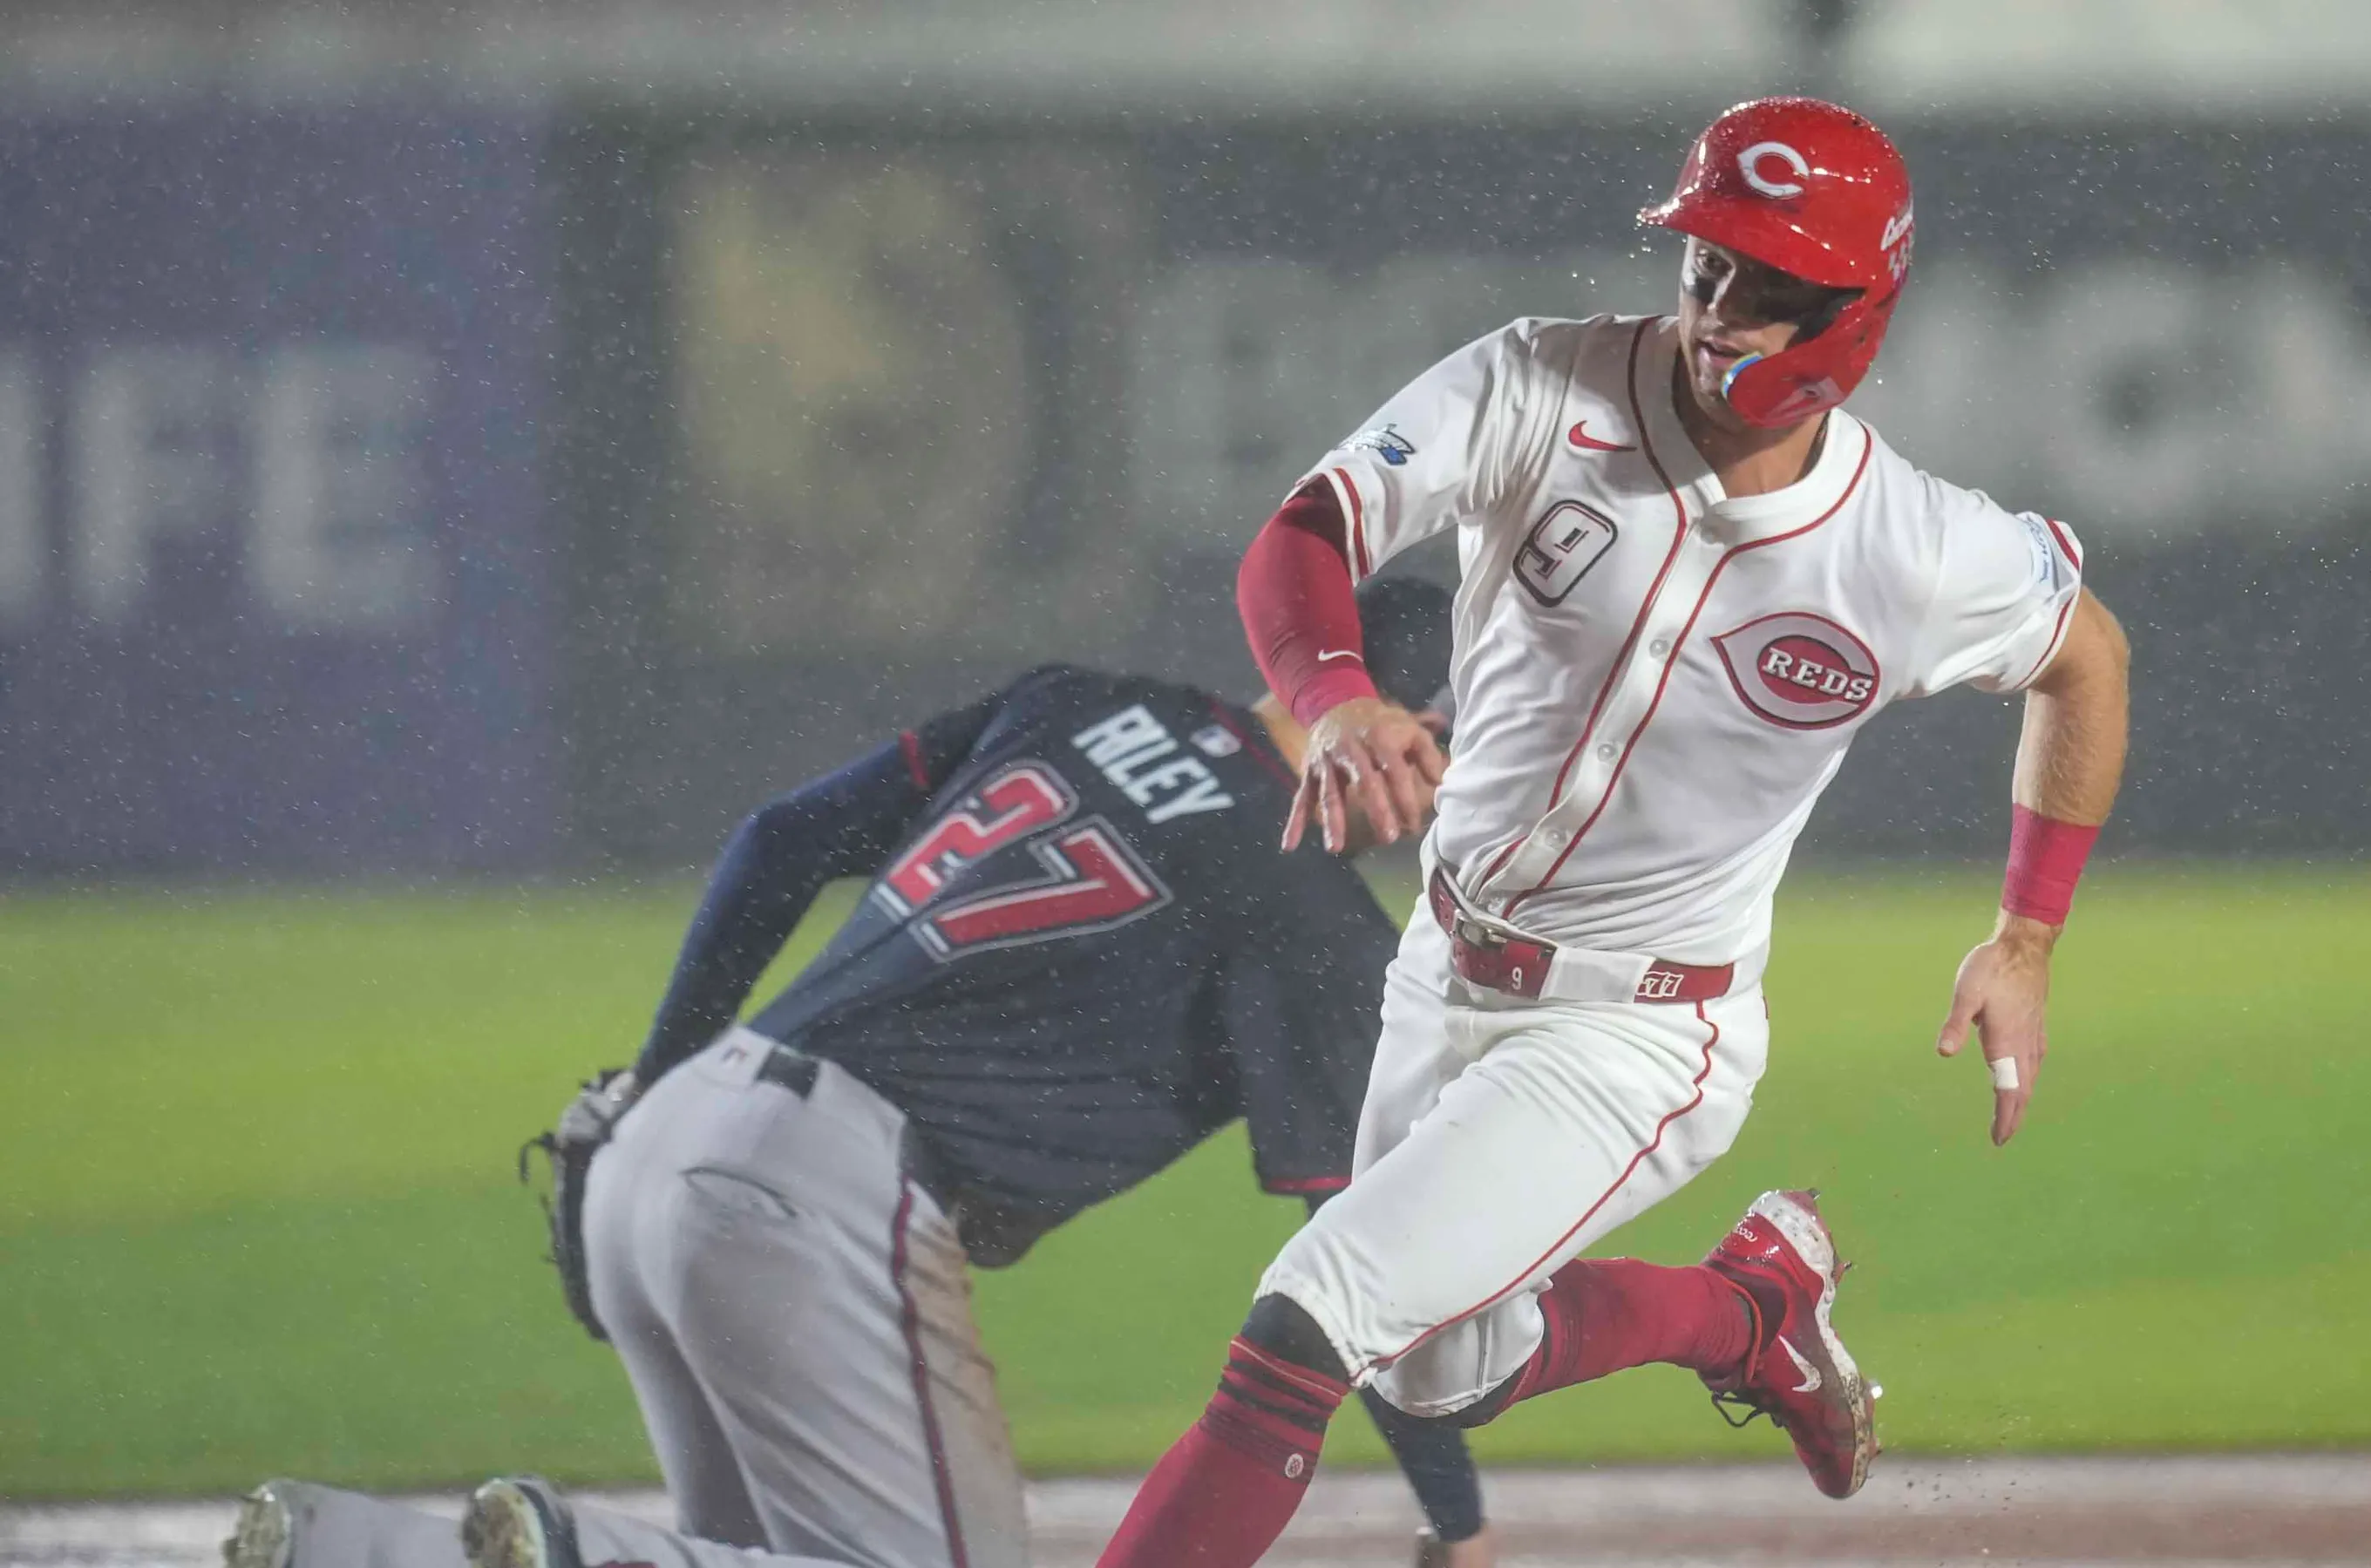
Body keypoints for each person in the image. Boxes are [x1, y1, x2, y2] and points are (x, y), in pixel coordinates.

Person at [1090, 97, 2136, 1568]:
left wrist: (2027, 934)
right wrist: (1329, 697)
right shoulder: (1538, 381)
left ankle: (1745, 1308)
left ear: (1853, 313)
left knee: (1306, 1324)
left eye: (1769, 287)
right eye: (1708, 264)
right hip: (1441, 970)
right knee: (1433, 1371)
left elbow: (2086, 659)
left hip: (1642, 1030)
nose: (1719, 311)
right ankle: (1748, 1311)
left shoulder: (1916, 548)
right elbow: (1311, 525)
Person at [222, 576, 1498, 1568]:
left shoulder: (1075, 703)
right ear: (1414, 726)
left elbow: (780, 840)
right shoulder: (1308, 915)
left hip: (684, 1127)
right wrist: (1456, 1519)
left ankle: (349, 1551)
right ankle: (517, 1552)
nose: (1451, 798)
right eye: (1463, 755)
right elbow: (1355, 1249)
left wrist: (642, 1095)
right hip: (822, 1199)